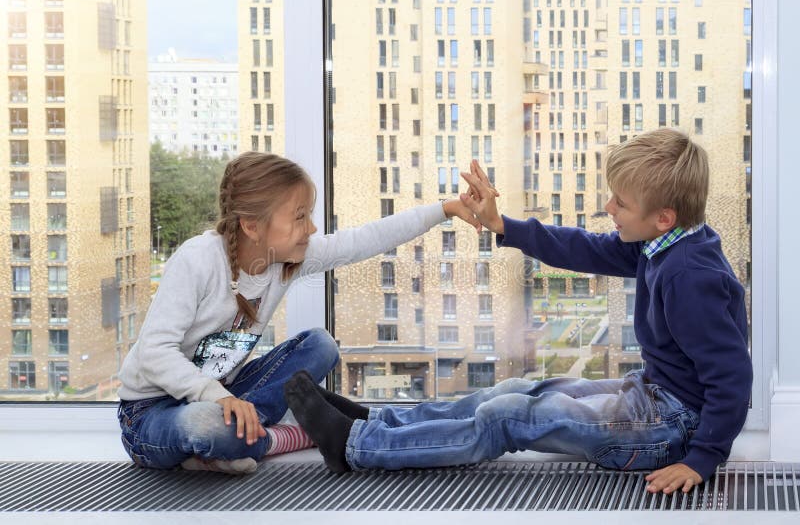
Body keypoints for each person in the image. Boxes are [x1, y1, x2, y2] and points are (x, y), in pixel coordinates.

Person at [285, 129, 752, 495]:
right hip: (652, 400)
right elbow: (585, 248)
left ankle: (355, 446)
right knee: (513, 388)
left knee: (507, 415)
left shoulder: (690, 275)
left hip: (669, 431)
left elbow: (731, 377)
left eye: (620, 203)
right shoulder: (661, 244)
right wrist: (502, 225)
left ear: (663, 217)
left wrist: (702, 458)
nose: (608, 207)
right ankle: (375, 421)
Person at [117, 151, 480, 474]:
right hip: (151, 412)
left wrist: (446, 209)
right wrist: (217, 398)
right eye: (300, 217)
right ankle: (285, 437)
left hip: (225, 396)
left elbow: (363, 240)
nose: (312, 228)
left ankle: (237, 440)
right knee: (207, 426)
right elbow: (154, 352)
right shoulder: (197, 261)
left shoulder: (284, 259)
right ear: (252, 225)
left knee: (320, 346)